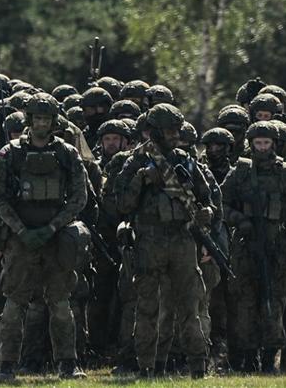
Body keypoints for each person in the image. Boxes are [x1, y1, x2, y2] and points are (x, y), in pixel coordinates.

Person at [0, 93, 89, 381]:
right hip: (20, 240)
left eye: (46, 119)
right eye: (37, 118)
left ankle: (68, 364)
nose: (42, 124)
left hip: (55, 238)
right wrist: (21, 230)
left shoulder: (67, 153)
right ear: (29, 120)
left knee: (60, 304)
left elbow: (79, 197)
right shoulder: (9, 154)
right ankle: (6, 365)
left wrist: (53, 227)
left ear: (54, 121)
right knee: (14, 303)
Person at [115, 103, 213, 379]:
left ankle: (198, 366)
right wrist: (141, 179)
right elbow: (121, 204)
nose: (175, 135)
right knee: (148, 307)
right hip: (149, 241)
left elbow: (206, 198)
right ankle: (146, 366)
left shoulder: (186, 160)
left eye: (177, 130)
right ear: (156, 131)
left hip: (182, 240)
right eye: (170, 131)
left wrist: (206, 213)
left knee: (190, 306)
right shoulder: (136, 161)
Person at [221, 121, 286, 374]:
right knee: (245, 304)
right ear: (251, 144)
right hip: (246, 247)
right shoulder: (240, 172)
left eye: (266, 143)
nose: (262, 147)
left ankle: (269, 359)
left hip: (277, 249)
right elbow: (220, 203)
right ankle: (249, 358)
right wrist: (239, 220)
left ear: (274, 144)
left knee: (274, 303)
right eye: (258, 143)